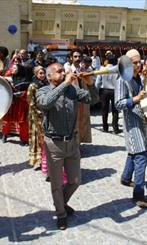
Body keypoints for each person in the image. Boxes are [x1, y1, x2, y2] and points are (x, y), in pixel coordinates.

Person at [36, 63, 98, 230]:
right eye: (59, 71)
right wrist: (65, 84)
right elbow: (45, 103)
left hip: (72, 142)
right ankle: (61, 214)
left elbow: (93, 99)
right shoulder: (43, 91)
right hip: (53, 144)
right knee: (56, 184)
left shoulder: (72, 90)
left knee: (75, 180)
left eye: (64, 70)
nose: (64, 73)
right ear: (49, 77)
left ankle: (60, 203)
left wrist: (90, 84)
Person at [115, 49, 147, 208]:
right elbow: (118, 104)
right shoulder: (121, 80)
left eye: (139, 62)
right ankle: (138, 195)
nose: (138, 65)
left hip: (143, 122)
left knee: (134, 151)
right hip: (132, 124)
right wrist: (136, 99)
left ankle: (125, 178)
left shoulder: (140, 76)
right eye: (134, 63)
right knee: (141, 156)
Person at [95, 54, 121, 134]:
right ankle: (115, 128)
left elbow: (97, 82)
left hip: (104, 90)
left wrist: (97, 91)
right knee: (115, 110)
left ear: (107, 60)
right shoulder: (117, 69)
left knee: (104, 110)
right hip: (114, 90)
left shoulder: (102, 69)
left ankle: (105, 127)